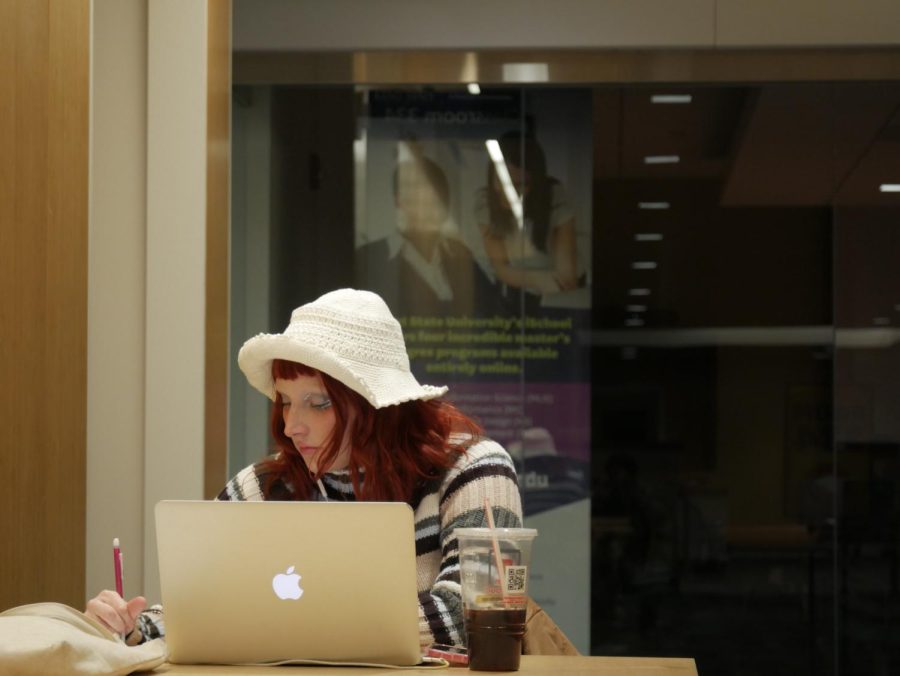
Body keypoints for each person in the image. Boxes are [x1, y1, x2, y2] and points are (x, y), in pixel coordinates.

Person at [85, 288, 523, 651]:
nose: (292, 426)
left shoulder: (474, 470)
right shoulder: (261, 488)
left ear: (378, 408)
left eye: (319, 403)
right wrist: (134, 627)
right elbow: (205, 607)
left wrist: (285, 626)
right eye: (285, 401)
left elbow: (477, 611)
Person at [355, 156, 500, 317]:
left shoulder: (460, 253)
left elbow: (491, 311)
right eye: (421, 199)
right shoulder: (371, 258)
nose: (431, 210)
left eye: (438, 200)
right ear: (399, 201)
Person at [475, 132, 582, 306]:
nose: (508, 193)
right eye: (501, 181)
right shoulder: (485, 204)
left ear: (536, 183)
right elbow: (500, 266)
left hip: (556, 294)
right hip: (519, 289)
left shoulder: (555, 198)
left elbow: (567, 278)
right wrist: (536, 279)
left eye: (519, 185)